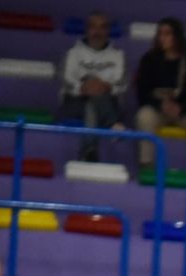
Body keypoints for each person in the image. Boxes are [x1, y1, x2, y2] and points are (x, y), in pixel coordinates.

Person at [133, 17, 186, 182]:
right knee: (144, 116)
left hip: (184, 112)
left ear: (177, 36)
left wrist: (182, 107)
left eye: (167, 34)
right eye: (160, 34)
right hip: (158, 110)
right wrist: (160, 105)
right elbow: (142, 93)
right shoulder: (149, 60)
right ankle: (147, 164)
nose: (163, 38)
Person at [57, 11, 125, 162]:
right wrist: (83, 88)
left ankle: (89, 151)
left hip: (107, 101)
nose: (97, 32)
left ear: (108, 31)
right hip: (74, 102)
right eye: (93, 27)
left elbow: (121, 84)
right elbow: (66, 80)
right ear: (87, 29)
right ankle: (113, 123)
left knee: (92, 104)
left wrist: (104, 87)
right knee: (92, 101)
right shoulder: (73, 53)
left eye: (102, 27)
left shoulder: (118, 55)